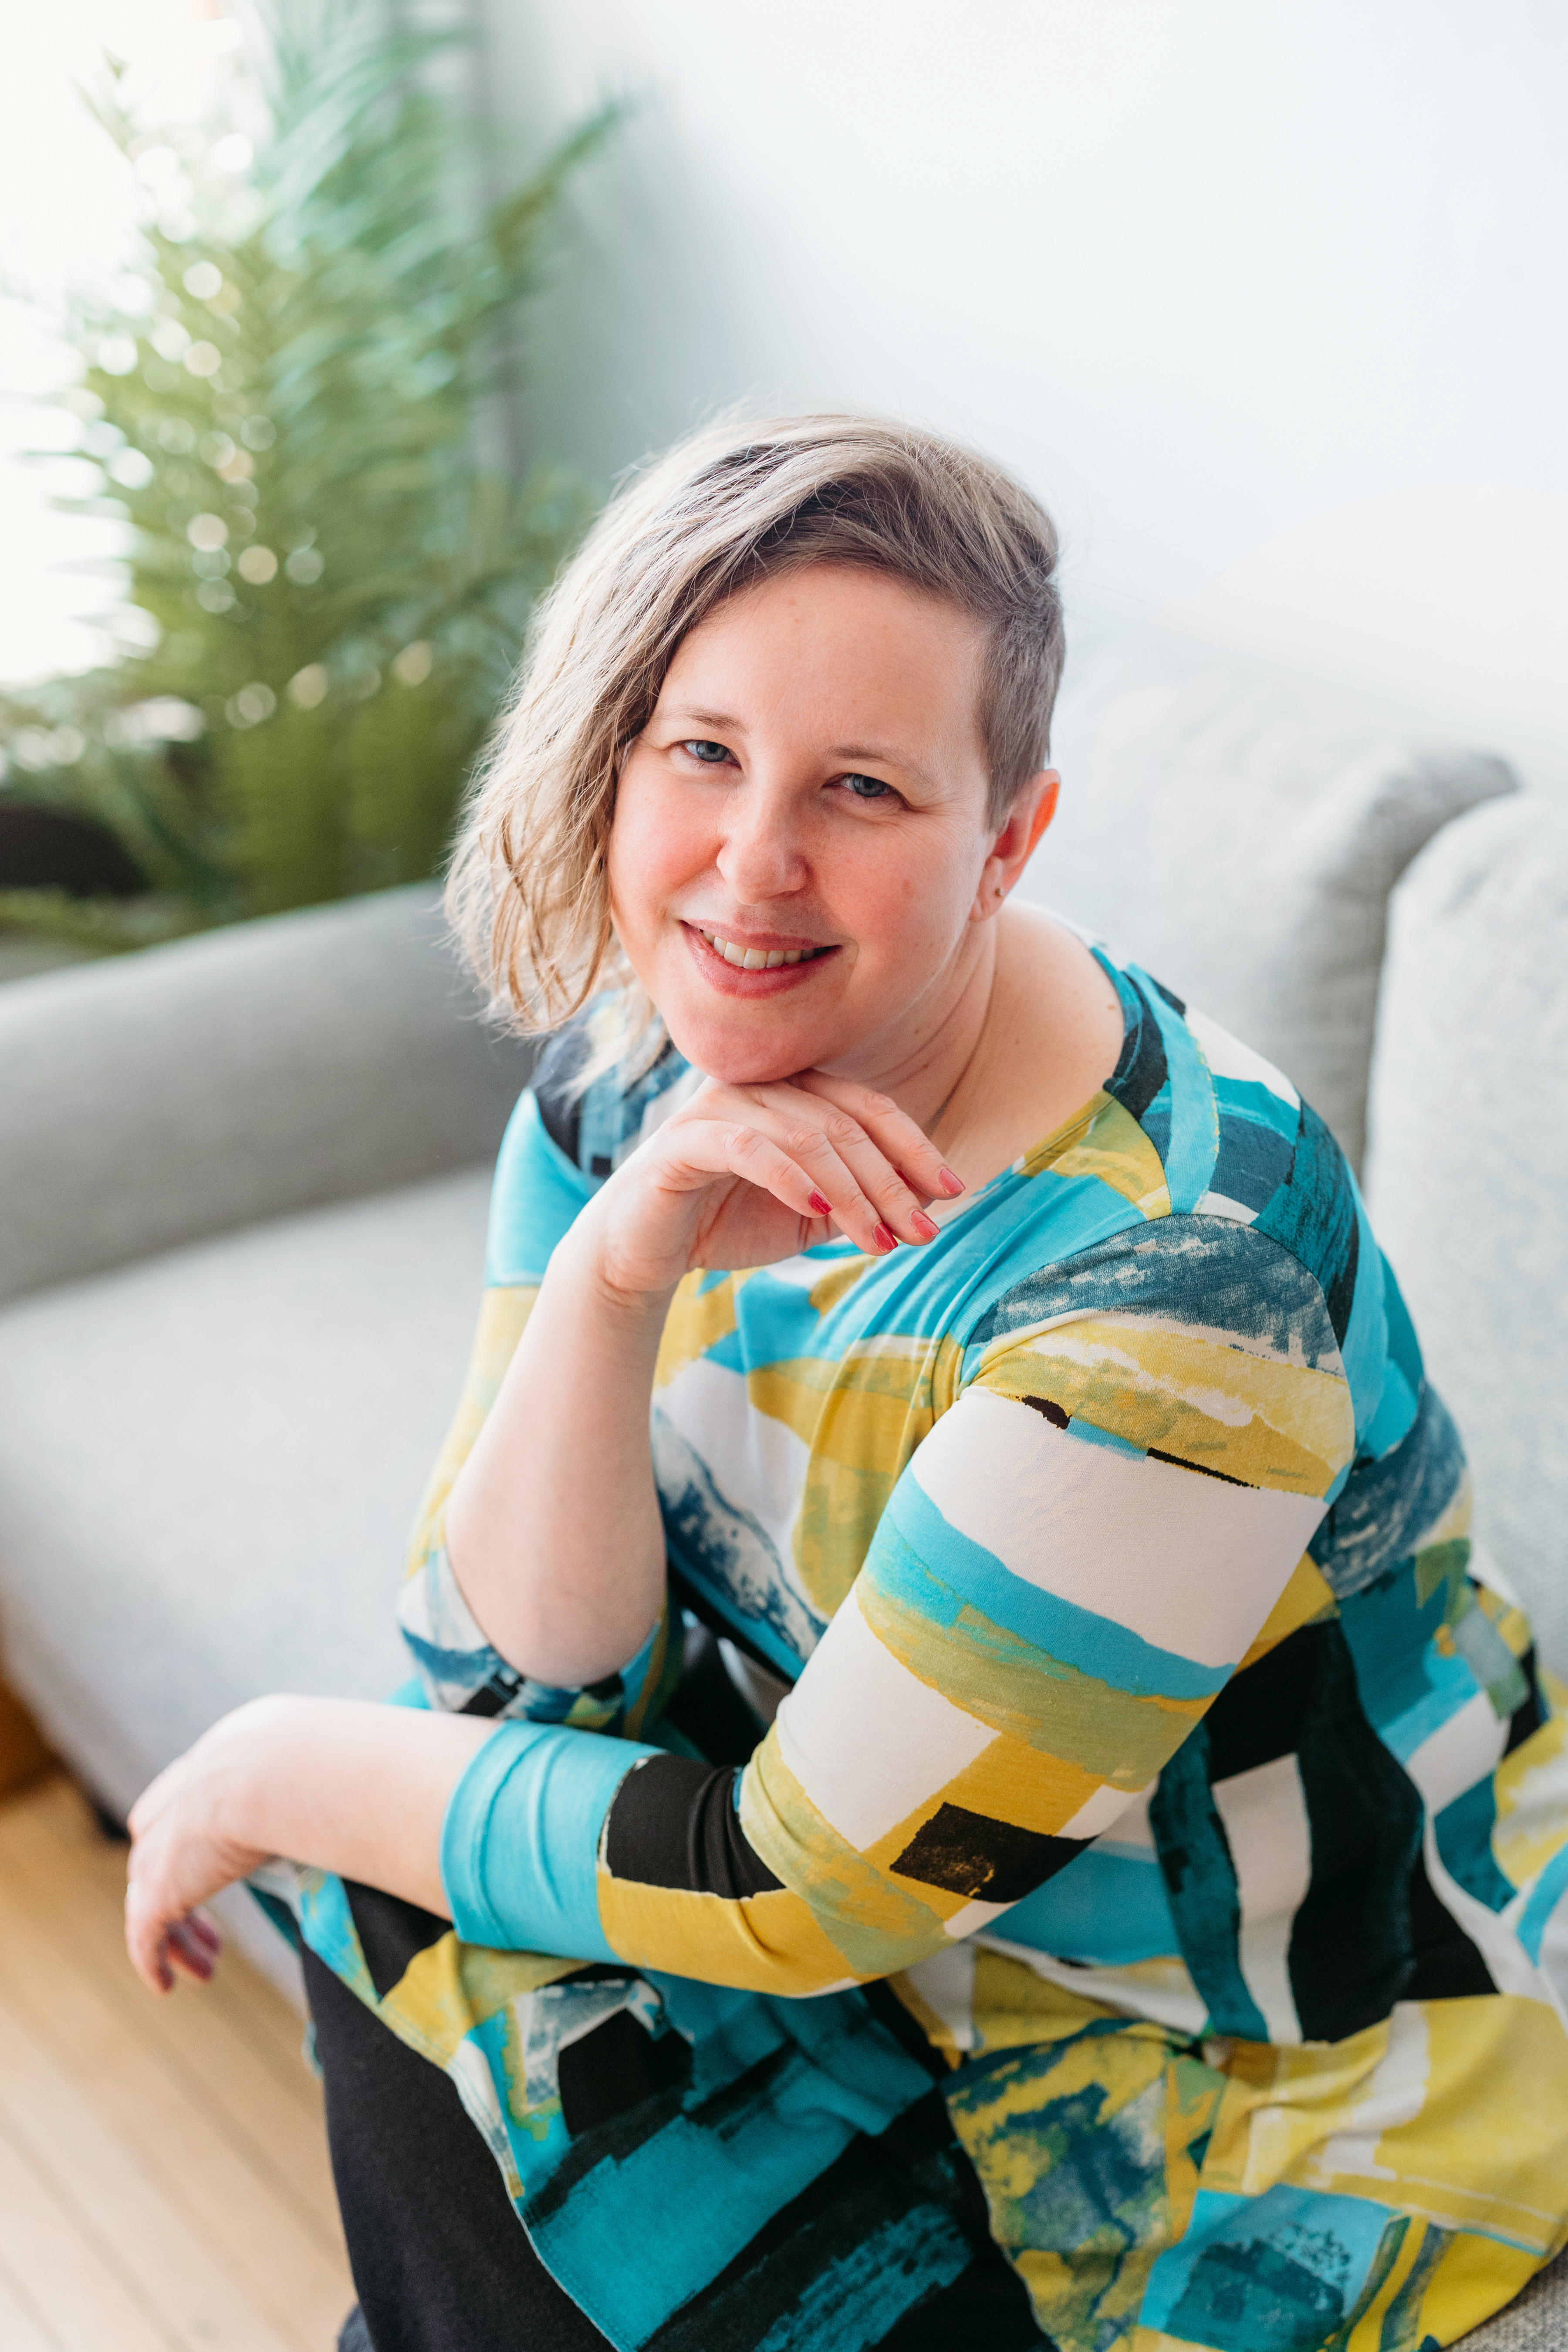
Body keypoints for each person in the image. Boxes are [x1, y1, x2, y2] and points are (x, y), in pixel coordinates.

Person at [124, 417, 1568, 2352]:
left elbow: (808, 1895)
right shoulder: (647, 1061)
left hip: (1237, 2049)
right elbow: (510, 1669)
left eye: (863, 787)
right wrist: (613, 1279)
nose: (753, 864)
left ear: (1009, 841)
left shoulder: (1170, 1300)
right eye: (701, 751)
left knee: (370, 1828)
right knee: (408, 1876)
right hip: (880, 1942)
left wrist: (259, 1768)